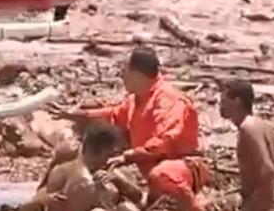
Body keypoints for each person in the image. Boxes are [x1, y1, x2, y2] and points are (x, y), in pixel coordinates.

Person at [58, 46, 210, 211]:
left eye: (125, 72)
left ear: (136, 74)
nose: (122, 77)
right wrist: (78, 115)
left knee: (162, 174)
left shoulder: (168, 100)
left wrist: (129, 155)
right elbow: (113, 116)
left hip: (184, 166)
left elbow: (166, 139)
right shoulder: (135, 100)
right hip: (150, 168)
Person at [19, 121, 141, 211]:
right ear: (97, 150)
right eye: (110, 153)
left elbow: (139, 198)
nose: (112, 157)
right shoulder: (68, 173)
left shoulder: (111, 171)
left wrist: (117, 180)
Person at [219, 79, 274, 211]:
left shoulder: (248, 127)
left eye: (223, 100)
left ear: (237, 101)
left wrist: (254, 206)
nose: (220, 105)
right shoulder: (263, 125)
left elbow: (269, 171)